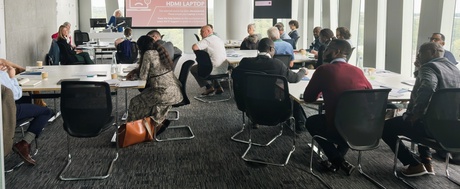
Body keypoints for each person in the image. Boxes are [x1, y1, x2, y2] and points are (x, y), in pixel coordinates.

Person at [381, 42, 460, 177]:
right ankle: (427, 162)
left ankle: (414, 164)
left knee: (385, 127)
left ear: (433, 53)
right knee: (423, 118)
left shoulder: (429, 67)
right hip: (453, 128)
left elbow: (428, 87)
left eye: (421, 52)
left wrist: (416, 113)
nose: (418, 55)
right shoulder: (454, 69)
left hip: (432, 128)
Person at [303, 39, 372, 175]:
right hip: (363, 128)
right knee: (347, 119)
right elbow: (369, 94)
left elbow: (308, 98)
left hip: (337, 127)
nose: (324, 51)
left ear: (336, 52)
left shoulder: (323, 70)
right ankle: (338, 160)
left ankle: (337, 160)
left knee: (311, 122)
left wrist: (323, 91)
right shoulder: (358, 71)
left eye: (328, 49)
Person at [233, 38, 308, 132]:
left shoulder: (245, 62)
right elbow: (294, 78)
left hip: (249, 105)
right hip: (275, 108)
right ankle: (300, 126)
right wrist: (303, 71)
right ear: (271, 49)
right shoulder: (277, 64)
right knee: (293, 98)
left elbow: (235, 76)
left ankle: (255, 120)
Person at [0, 59, 53, 165]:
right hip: (6, 113)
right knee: (46, 112)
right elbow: (15, 95)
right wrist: (12, 77)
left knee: (29, 102)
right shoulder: (1, 74)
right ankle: (24, 144)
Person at [126, 36, 183, 131]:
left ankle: (132, 131)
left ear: (141, 47)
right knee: (144, 98)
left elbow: (143, 78)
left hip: (163, 93)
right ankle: (152, 123)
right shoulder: (160, 51)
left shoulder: (148, 54)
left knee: (134, 102)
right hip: (175, 92)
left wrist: (132, 76)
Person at [190, 25, 229, 95]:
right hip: (224, 68)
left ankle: (209, 87)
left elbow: (194, 47)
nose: (200, 34)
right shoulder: (218, 39)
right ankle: (218, 86)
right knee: (211, 63)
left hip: (213, 69)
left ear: (208, 31)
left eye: (202, 31)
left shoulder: (207, 40)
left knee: (193, 69)